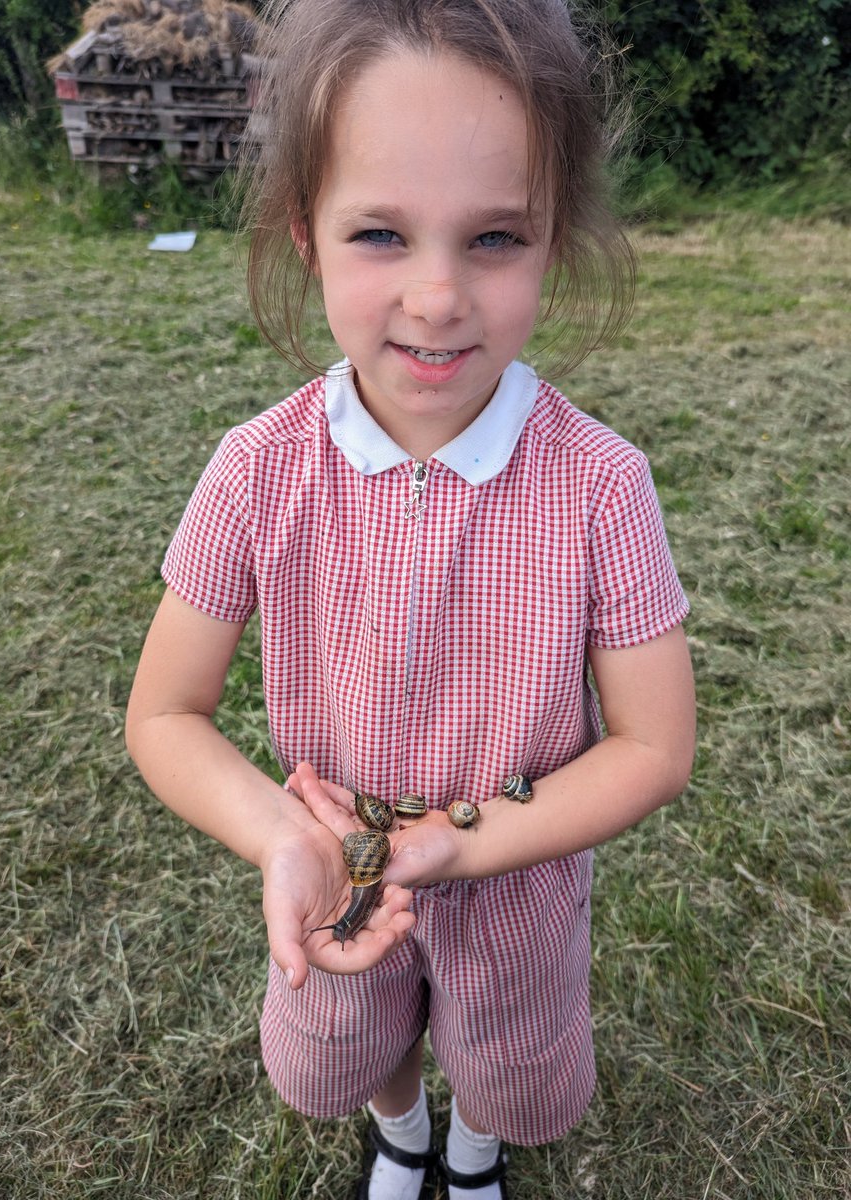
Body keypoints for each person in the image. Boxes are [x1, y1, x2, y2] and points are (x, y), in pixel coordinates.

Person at [125, 1, 696, 1196]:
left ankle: (474, 1149)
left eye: (494, 239)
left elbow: (653, 744)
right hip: (338, 875)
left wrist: (468, 842)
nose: (437, 298)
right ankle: (401, 1127)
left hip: (521, 892)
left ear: (556, 241)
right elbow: (165, 713)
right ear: (305, 235)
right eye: (381, 233)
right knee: (360, 1036)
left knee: (505, 1061)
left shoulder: (602, 486)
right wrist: (284, 835)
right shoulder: (256, 469)